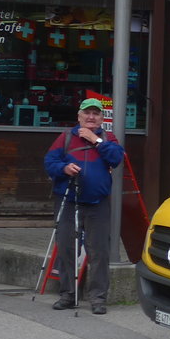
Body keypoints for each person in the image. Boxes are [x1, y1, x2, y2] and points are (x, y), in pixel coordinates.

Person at [43, 98, 124, 314]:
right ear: (79, 116)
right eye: (87, 113)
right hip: (69, 201)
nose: (91, 117)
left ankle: (98, 299)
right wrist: (64, 168)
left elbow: (117, 158)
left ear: (101, 118)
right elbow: (49, 162)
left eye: (95, 114)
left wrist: (95, 140)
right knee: (67, 249)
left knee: (99, 252)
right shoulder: (66, 137)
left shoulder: (108, 138)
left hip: (97, 204)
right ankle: (68, 295)